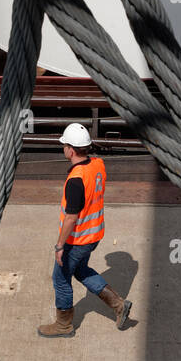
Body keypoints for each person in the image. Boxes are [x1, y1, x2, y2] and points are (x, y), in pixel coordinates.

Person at [38, 123, 131, 338]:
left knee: (60, 278)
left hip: (78, 239)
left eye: (64, 146)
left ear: (70, 150)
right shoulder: (98, 165)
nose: (63, 149)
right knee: (80, 270)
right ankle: (118, 305)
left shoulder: (75, 180)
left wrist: (60, 246)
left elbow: (71, 218)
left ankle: (64, 326)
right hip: (94, 234)